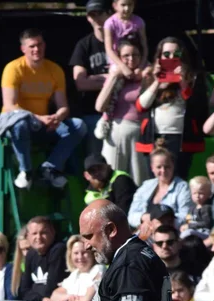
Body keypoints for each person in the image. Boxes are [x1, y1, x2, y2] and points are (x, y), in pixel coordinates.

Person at [0, 29, 87, 190]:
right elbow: (10, 105)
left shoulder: (55, 70)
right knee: (20, 124)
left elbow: (63, 106)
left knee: (79, 125)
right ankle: (26, 171)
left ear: (45, 45)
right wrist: (39, 118)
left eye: (39, 45)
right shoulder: (13, 68)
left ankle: (50, 167)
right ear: (23, 49)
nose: (36, 49)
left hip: (44, 124)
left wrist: (57, 118)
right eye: (32, 46)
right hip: (17, 124)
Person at [134, 37, 209, 179]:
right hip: (155, 137)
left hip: (181, 139)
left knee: (178, 178)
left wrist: (184, 83)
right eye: (166, 54)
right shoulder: (151, 76)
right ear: (159, 56)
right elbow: (141, 106)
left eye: (177, 54)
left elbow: (198, 107)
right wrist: (157, 82)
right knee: (155, 180)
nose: (172, 57)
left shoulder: (193, 77)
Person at [95, 38, 147, 184]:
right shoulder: (115, 76)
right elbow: (99, 106)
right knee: (113, 180)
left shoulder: (147, 74)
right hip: (116, 131)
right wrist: (114, 76)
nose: (131, 59)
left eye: (135, 55)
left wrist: (144, 74)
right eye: (126, 56)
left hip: (140, 132)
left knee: (139, 179)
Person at [71, 0, 114, 157]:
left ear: (110, 14)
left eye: (100, 13)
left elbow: (131, 76)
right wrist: (112, 78)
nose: (96, 18)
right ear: (88, 18)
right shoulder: (84, 45)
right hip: (93, 112)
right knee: (96, 159)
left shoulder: (122, 42)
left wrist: (95, 79)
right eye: (91, 15)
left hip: (121, 111)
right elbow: (81, 83)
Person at [128, 148, 191, 230]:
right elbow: (131, 216)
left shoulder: (182, 187)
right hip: (145, 233)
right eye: (159, 167)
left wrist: (161, 222)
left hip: (170, 234)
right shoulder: (146, 186)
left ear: (173, 166)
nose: (163, 170)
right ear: (152, 168)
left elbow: (185, 216)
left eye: (167, 167)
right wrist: (143, 217)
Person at [17, 216, 68, 301]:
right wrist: (40, 299)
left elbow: (52, 286)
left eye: (43, 233)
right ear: (28, 236)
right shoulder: (31, 254)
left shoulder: (58, 250)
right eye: (34, 233)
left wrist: (36, 296)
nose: (38, 237)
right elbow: (24, 290)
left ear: (52, 233)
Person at [103, 0, 146, 78]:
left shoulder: (139, 21)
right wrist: (123, 67)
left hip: (136, 60)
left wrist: (141, 66)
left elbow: (144, 46)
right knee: (116, 74)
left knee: (147, 72)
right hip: (118, 62)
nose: (127, 8)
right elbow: (109, 49)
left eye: (130, 5)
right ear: (115, 5)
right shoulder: (109, 23)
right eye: (123, 5)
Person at [182, 175, 214, 242]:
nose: (197, 196)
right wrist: (185, 225)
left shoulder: (206, 208)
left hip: (204, 232)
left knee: (189, 233)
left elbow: (207, 223)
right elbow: (188, 220)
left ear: (209, 194)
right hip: (193, 230)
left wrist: (190, 226)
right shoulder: (191, 209)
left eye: (201, 193)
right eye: (194, 193)